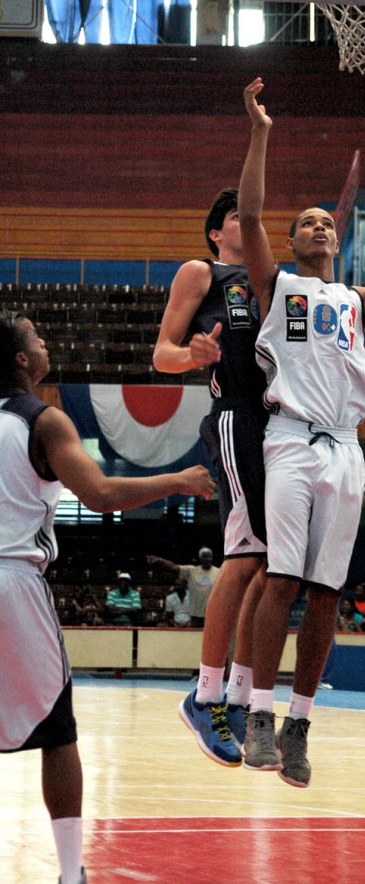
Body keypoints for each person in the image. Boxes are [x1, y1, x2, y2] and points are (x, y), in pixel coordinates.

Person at [238, 75, 365, 787]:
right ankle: (257, 711)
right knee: (281, 577)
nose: (318, 226)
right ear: (291, 241)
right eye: (307, 221)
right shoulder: (278, 285)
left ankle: (299, 724)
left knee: (325, 592)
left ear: (339, 237)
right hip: (288, 438)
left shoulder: (355, 296)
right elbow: (250, 218)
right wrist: (260, 133)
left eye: (327, 221)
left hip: (345, 446)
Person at [0, 310, 215, 884]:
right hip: (14, 581)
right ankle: (71, 872)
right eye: (37, 339)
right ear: (22, 359)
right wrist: (177, 480)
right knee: (57, 729)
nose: (45, 343)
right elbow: (100, 493)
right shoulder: (43, 421)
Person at [151, 187, 269, 767]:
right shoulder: (203, 272)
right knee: (244, 557)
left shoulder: (276, 281)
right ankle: (205, 695)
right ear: (216, 232)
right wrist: (194, 356)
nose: (247, 226)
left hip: (281, 429)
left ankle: (240, 698)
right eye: (234, 219)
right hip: (236, 421)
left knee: (272, 565)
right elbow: (161, 355)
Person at [146, 547, 218, 628]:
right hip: (195, 616)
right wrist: (160, 560)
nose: (206, 559)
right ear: (200, 558)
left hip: (212, 616)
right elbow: (174, 567)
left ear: (212, 558)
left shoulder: (219, 572)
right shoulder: (192, 571)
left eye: (208, 556)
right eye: (204, 556)